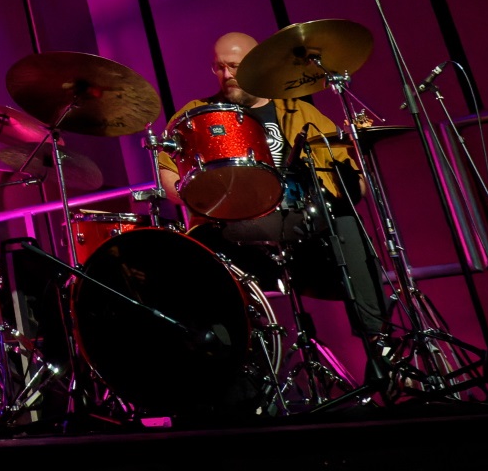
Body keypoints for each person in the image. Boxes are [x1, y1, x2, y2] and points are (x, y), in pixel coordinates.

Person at [157, 32, 389, 347]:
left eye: (235, 66)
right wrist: (205, 194)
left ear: (257, 64)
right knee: (191, 259)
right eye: (219, 67)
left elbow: (350, 181)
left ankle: (380, 344)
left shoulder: (299, 112)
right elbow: (169, 183)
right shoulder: (196, 114)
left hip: (296, 225)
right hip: (228, 230)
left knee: (345, 218)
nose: (226, 75)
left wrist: (351, 186)